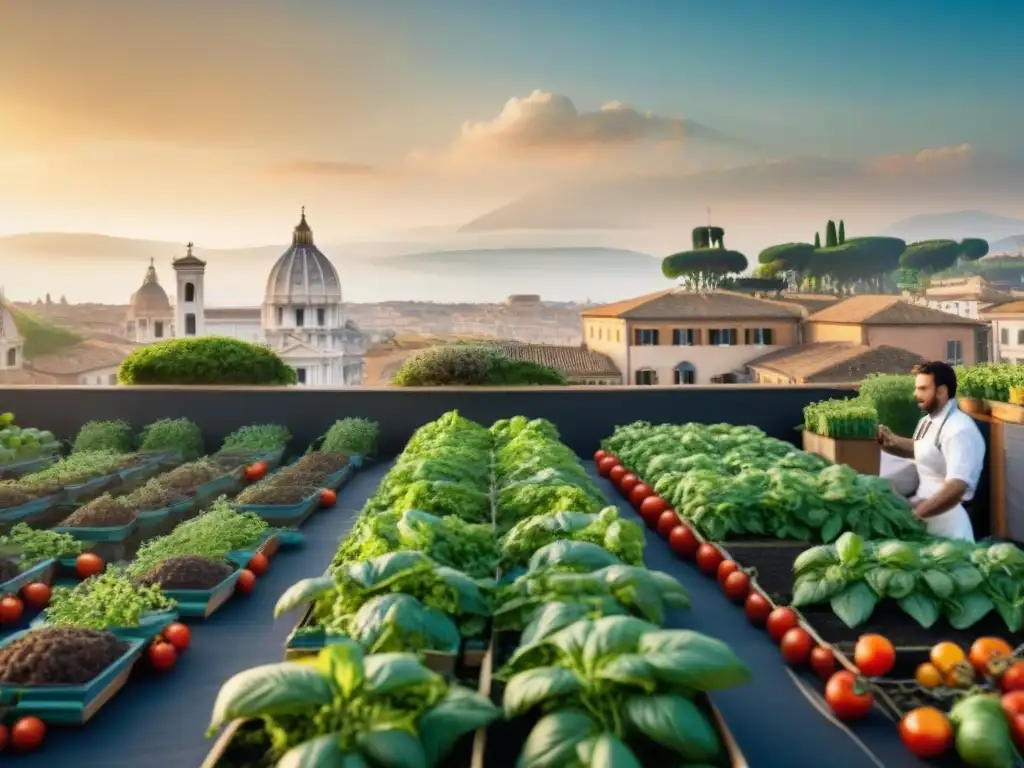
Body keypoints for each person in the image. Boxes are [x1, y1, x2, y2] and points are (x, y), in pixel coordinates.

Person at [876, 361, 985, 541]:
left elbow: (957, 487)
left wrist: (916, 515)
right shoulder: (927, 421)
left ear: (941, 391)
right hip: (926, 524)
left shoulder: (959, 430)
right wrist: (891, 441)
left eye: (923, 389)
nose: (916, 394)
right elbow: (925, 450)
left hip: (949, 531)